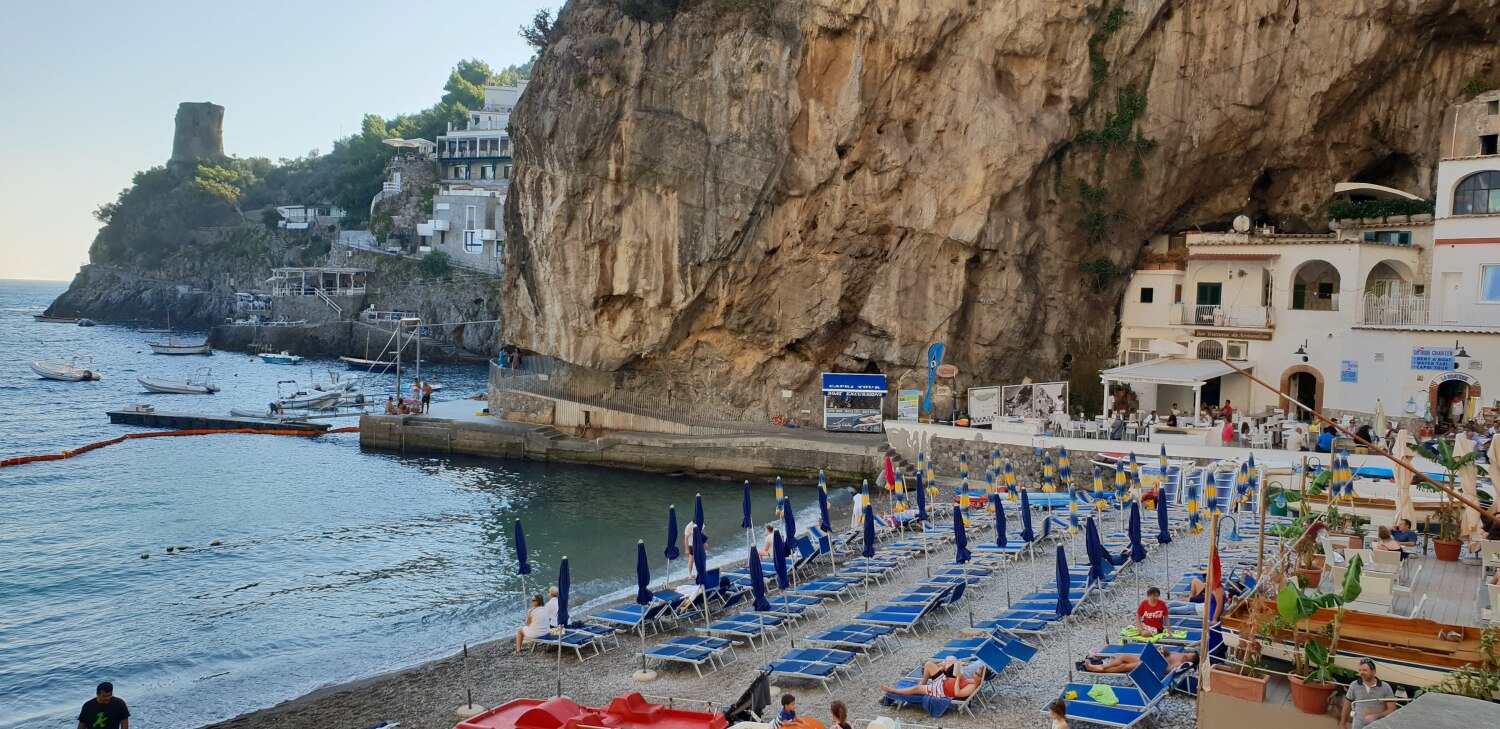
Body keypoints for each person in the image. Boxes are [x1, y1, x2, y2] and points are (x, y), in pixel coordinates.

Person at [1340, 658, 1398, 729]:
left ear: (1373, 672)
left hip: (1377, 726)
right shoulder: (1354, 685)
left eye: (1364, 670)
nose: (1361, 673)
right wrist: (1342, 723)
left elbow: (1392, 709)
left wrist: (1376, 715)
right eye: (1360, 670)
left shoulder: (1386, 687)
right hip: (1357, 726)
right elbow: (1347, 705)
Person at [1080, 646, 1197, 674]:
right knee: (1124, 657)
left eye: (1188, 656)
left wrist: (1160, 660)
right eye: (1187, 653)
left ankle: (1100, 669)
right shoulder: (1179, 654)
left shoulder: (1181, 664)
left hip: (1152, 668)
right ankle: (1102, 667)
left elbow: (1167, 671)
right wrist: (1164, 651)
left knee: (1124, 667)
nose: (1185, 655)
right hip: (1149, 660)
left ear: (1189, 661)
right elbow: (1168, 654)